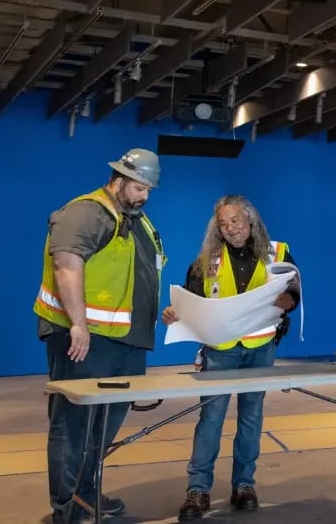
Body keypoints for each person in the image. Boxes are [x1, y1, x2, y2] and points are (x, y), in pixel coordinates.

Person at [35, 148, 166, 523]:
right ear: (118, 179)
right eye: (139, 187)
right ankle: (66, 508)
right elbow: (66, 263)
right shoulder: (88, 211)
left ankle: (85, 495)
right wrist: (78, 323)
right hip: (86, 340)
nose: (144, 195)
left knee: (102, 427)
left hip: (124, 341)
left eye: (148, 190)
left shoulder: (137, 220)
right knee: (73, 426)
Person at [162, 194, 300, 521]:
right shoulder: (205, 260)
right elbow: (191, 302)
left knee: (251, 418)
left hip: (261, 348)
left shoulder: (278, 252)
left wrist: (289, 301)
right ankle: (198, 490)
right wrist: (175, 313)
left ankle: (244, 486)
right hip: (220, 352)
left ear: (250, 219)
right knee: (211, 419)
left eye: (235, 221)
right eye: (223, 224)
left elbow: (295, 291)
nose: (230, 229)